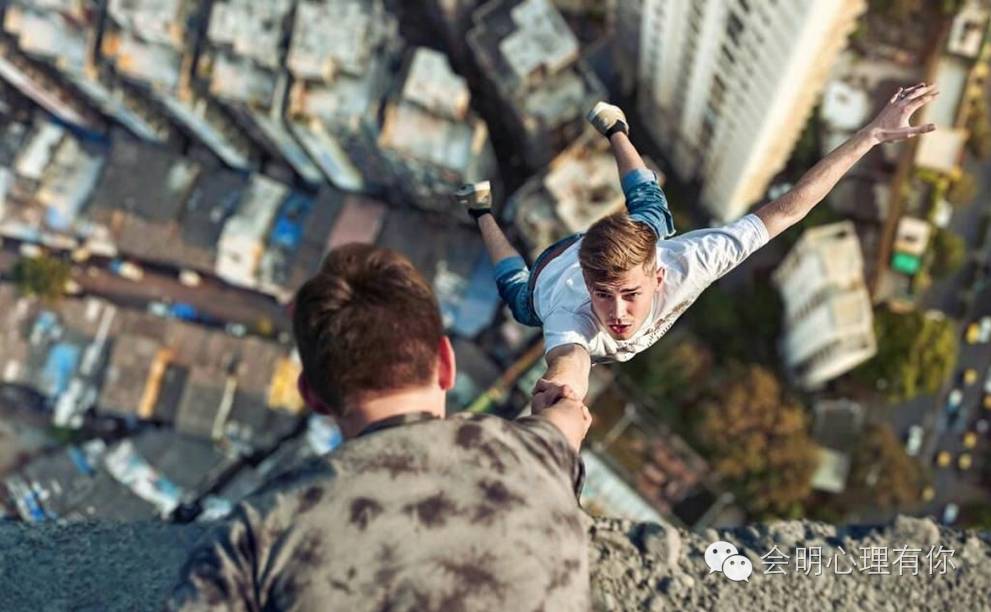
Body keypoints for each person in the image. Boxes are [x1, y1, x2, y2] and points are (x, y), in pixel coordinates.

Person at [167, 243, 593, 611]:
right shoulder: (534, 455)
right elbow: (563, 423)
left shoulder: (259, 537)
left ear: (312, 396)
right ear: (445, 362)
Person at [459, 83, 939, 408]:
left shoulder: (691, 259)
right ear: (589, 287)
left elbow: (792, 205)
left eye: (629, 294)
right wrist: (557, 407)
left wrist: (871, 135)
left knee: (652, 210)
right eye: (604, 296)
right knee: (520, 299)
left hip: (626, 244)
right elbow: (569, 369)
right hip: (550, 270)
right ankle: (482, 211)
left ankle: (616, 128)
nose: (618, 314)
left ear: (659, 275)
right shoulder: (570, 317)